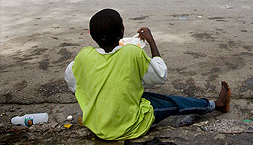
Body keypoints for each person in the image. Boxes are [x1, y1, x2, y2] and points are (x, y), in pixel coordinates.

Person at [64, 9, 231, 140]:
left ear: (92, 35)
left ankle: (213, 104)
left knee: (137, 94)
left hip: (96, 125)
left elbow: (71, 80)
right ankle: (216, 105)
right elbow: (160, 74)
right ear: (122, 32)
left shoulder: (84, 56)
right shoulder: (131, 53)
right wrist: (151, 41)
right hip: (128, 126)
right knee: (173, 103)